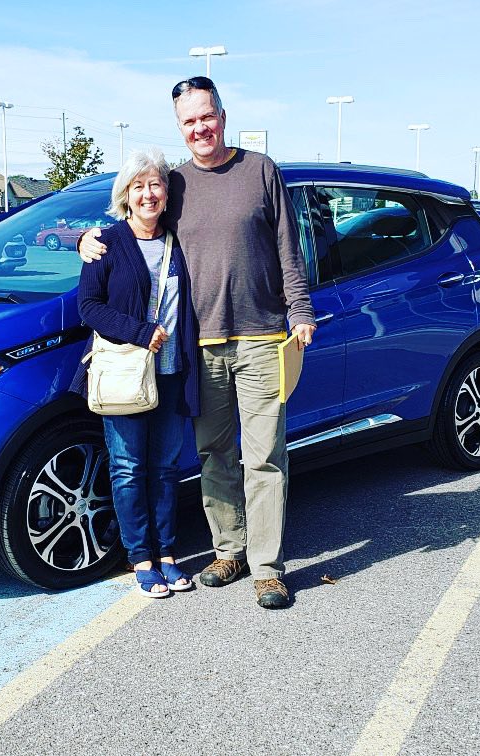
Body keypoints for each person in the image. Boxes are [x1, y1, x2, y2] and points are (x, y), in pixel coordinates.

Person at [80, 77, 316, 609]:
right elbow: (132, 224)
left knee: (264, 457)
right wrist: (84, 239)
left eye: (206, 116)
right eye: (189, 121)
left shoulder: (260, 170)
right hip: (199, 347)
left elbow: (289, 248)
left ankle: (268, 569)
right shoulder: (175, 184)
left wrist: (299, 311)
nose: (200, 128)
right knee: (214, 454)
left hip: (261, 338)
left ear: (223, 117)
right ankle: (229, 550)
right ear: (180, 128)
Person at [70, 148, 200, 598]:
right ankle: (141, 558)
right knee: (127, 468)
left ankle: (167, 554)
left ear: (166, 192)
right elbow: (88, 307)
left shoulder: (182, 241)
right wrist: (140, 333)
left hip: (172, 372)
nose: (147, 194)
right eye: (138, 186)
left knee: (165, 468)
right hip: (124, 373)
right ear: (125, 194)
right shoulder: (105, 243)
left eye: (155, 184)